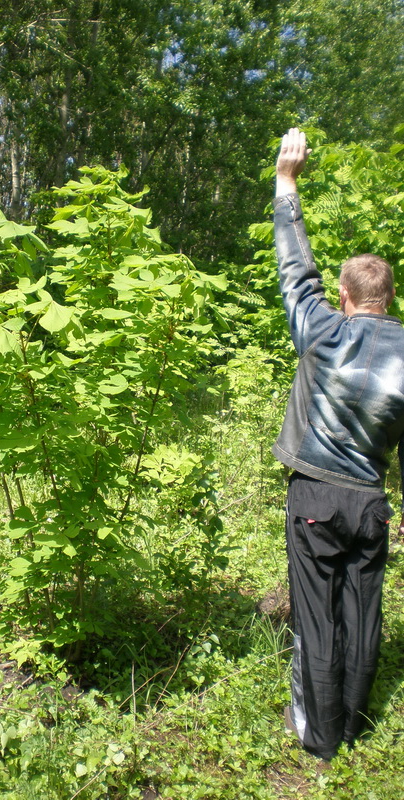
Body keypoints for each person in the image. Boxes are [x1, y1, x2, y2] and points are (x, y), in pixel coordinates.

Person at [272, 128, 404, 761]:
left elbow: (296, 272)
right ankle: (354, 727)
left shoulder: (324, 330)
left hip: (316, 496)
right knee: (363, 613)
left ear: (346, 297)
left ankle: (320, 738)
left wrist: (287, 182)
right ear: (391, 298)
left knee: (317, 619)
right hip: (372, 501)